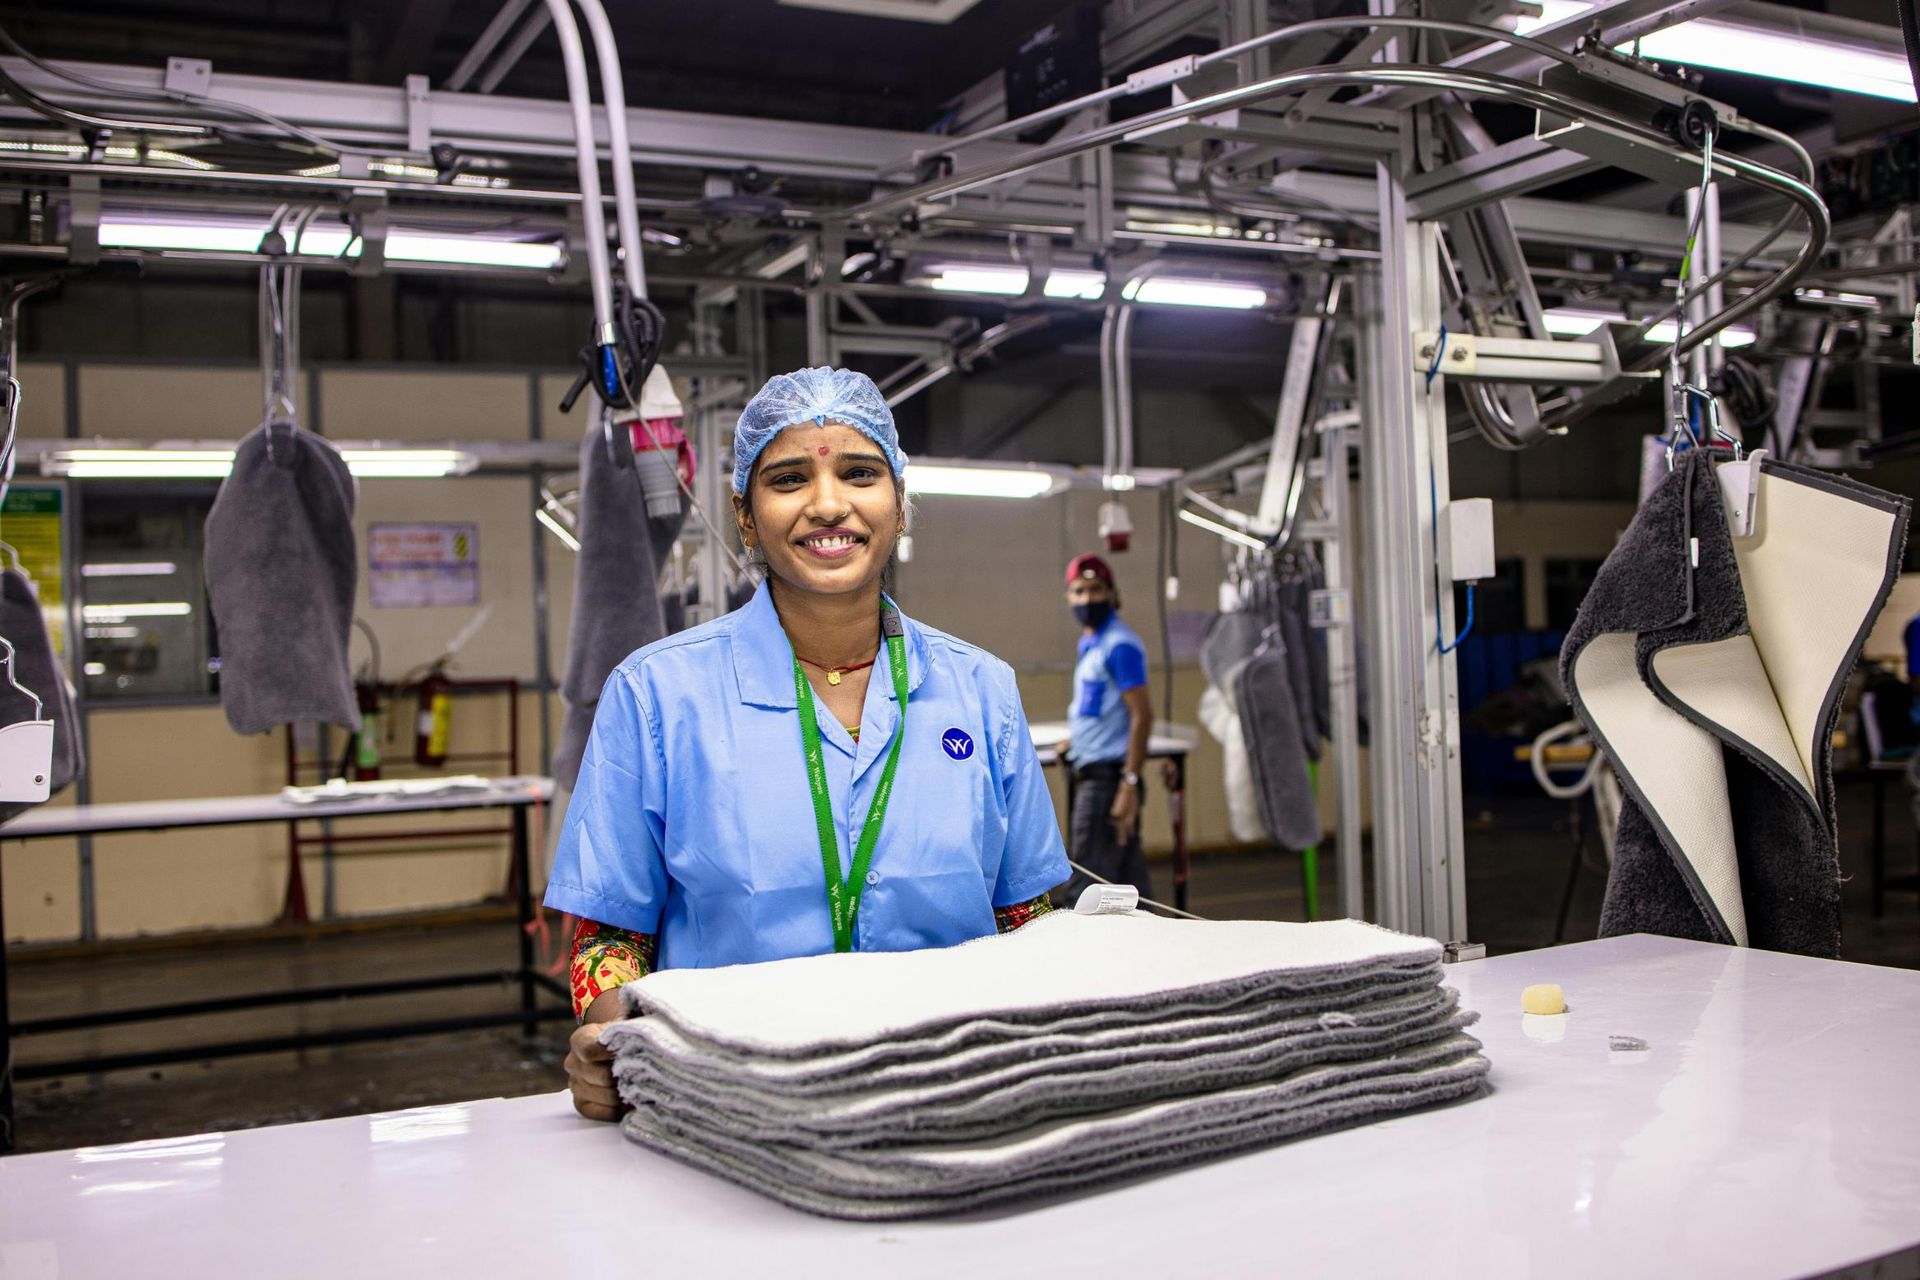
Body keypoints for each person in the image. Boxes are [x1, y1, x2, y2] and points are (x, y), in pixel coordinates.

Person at [546, 367, 1069, 1121]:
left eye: (859, 473)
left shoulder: (980, 690)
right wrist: (606, 1037)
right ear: (747, 518)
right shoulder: (657, 696)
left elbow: (1031, 918)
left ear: (898, 504)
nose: (829, 504)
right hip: (733, 1106)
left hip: (956, 1094)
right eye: (789, 478)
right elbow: (609, 938)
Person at [1058, 553, 1155, 906]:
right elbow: (1101, 710)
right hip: (1093, 771)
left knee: (1086, 886)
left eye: (1096, 589)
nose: (1087, 599)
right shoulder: (1093, 643)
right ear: (1068, 597)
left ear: (1112, 595)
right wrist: (1077, 741)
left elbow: (1142, 715)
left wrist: (1128, 785)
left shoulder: (1119, 645)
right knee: (1127, 885)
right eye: (1079, 591)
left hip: (1108, 781)